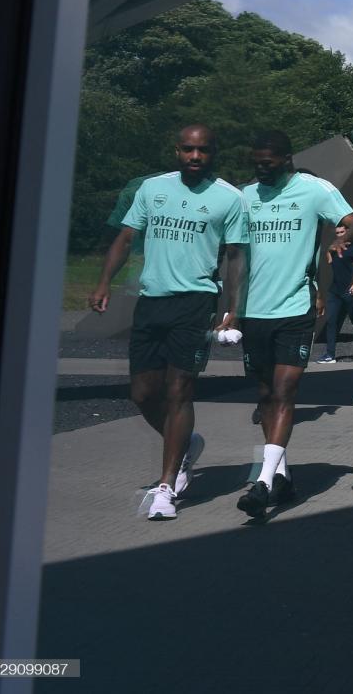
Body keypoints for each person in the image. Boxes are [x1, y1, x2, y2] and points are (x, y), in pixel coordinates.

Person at [89, 125, 247, 520]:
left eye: (203, 151)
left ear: (214, 152)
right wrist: (104, 282)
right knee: (143, 393)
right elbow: (126, 238)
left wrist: (234, 306)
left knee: (180, 391)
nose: (195, 157)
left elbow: (236, 256)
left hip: (195, 305)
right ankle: (187, 444)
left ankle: (166, 487)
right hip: (151, 302)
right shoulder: (152, 189)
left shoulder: (230, 198)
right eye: (188, 150)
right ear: (176, 150)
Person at [236, 131, 353, 517]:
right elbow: (231, 253)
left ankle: (262, 482)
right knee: (265, 397)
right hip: (253, 313)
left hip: (294, 310)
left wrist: (344, 237)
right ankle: (283, 477)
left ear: (287, 159)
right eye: (256, 162)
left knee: (285, 391)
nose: (261, 169)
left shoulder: (314, 190)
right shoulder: (244, 196)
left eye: (268, 163)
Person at [316, 225, 353, 363]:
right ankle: (330, 355)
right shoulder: (334, 248)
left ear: (348, 232)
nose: (339, 234)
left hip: (349, 290)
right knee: (331, 322)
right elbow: (330, 261)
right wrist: (329, 250)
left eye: (342, 232)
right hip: (335, 291)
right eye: (337, 232)